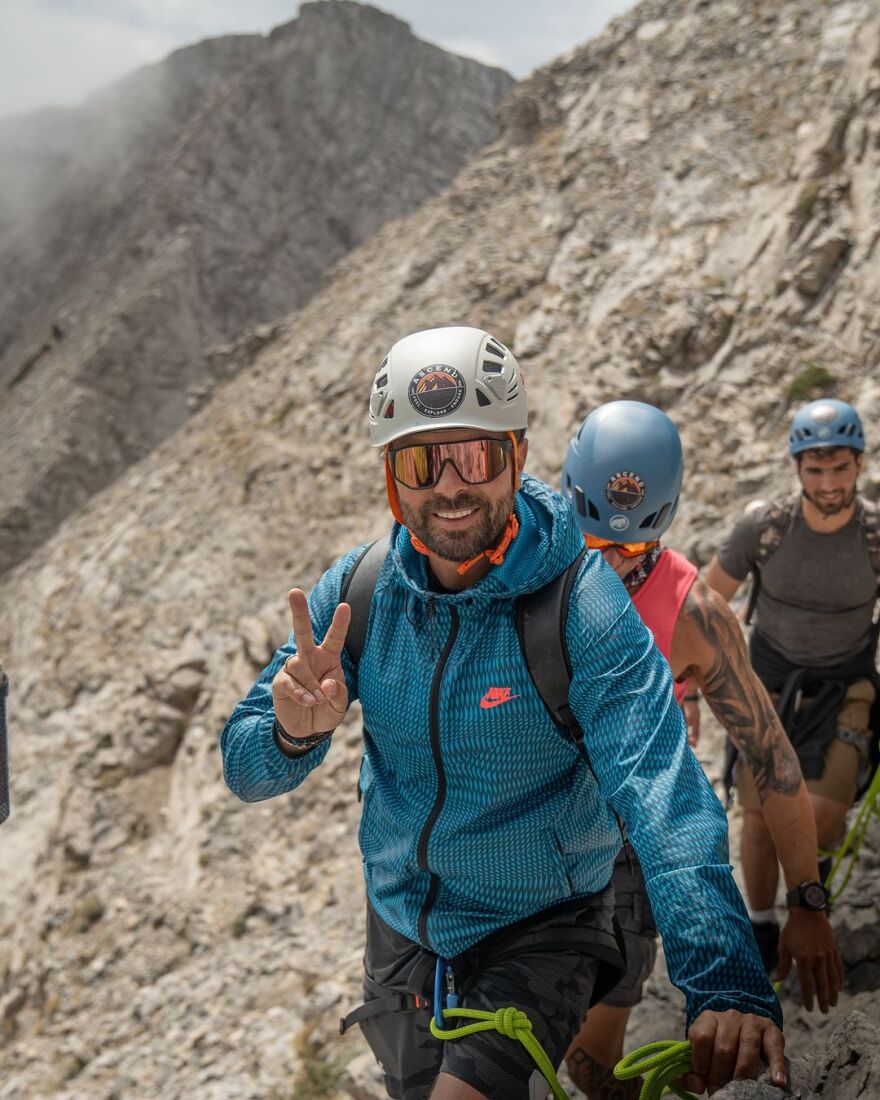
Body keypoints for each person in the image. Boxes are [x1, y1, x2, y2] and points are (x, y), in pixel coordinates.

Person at [221, 327, 785, 1100]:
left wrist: (724, 978)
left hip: (542, 928)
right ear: (391, 477)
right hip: (401, 936)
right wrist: (290, 734)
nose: (450, 486)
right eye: (422, 463)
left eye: (475, 456)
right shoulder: (359, 594)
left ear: (517, 457)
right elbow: (244, 768)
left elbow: (663, 788)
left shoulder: (580, 605)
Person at [558, 401, 842, 1100]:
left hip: (631, 842)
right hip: (531, 824)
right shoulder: (525, 562)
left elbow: (771, 760)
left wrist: (807, 899)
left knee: (592, 1062)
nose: (610, 565)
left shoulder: (694, 614)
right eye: (593, 543)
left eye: (631, 550)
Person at [705, 398, 879, 973]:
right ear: (798, 468)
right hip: (767, 687)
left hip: (846, 686)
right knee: (759, 817)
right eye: (816, 470)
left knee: (824, 813)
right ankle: (762, 927)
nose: (828, 483)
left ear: (859, 463)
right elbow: (707, 602)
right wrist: (694, 685)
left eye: (840, 468)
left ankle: (809, 901)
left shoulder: (875, 534)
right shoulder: (765, 528)